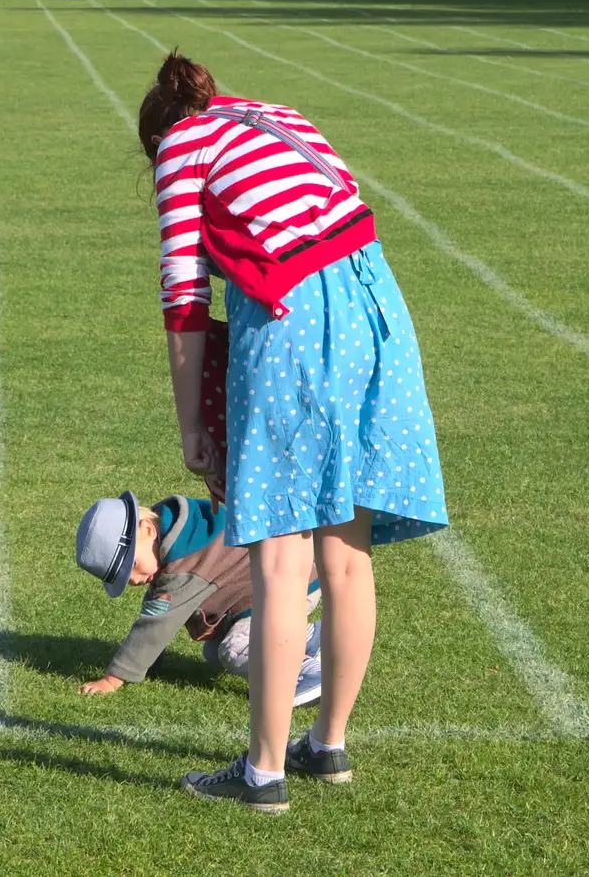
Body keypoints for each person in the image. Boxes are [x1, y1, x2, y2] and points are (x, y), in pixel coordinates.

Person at [138, 54, 448, 812]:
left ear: (159, 138)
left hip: (293, 322)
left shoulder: (181, 150)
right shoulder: (281, 115)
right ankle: (328, 743)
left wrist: (190, 427)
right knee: (346, 554)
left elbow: (184, 294)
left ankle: (263, 772)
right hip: (376, 305)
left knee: (279, 560)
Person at [75, 492, 324, 705]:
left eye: (132, 565)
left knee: (233, 650)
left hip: (285, 590)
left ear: (148, 530)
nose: (133, 580)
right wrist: (148, 663)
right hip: (284, 584)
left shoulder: (185, 562)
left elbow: (156, 623)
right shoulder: (179, 533)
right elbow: (156, 610)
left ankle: (304, 675)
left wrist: (113, 679)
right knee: (214, 652)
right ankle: (309, 637)